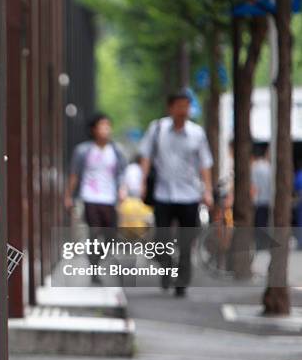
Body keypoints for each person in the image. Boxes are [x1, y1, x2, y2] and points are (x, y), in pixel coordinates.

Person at [139, 91, 214, 297]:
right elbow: (145, 156)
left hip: (189, 195)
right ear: (170, 108)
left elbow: (205, 163)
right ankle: (166, 269)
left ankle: (182, 281)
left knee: (185, 242)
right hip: (163, 194)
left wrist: (207, 190)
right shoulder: (157, 129)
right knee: (161, 241)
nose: (183, 111)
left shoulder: (197, 133)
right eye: (179, 106)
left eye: (186, 106)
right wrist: (143, 182)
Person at [65, 113, 127, 282]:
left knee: (111, 237)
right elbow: (74, 175)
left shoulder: (116, 150)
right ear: (93, 129)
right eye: (102, 126)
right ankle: (93, 268)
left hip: (109, 198)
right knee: (94, 232)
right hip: (90, 197)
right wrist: (69, 196)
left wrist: (122, 189)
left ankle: (96, 260)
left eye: (108, 126)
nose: (105, 129)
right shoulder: (83, 151)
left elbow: (121, 174)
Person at [251, 145, 272, 250]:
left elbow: (253, 185)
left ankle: (260, 244)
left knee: (258, 223)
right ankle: (264, 244)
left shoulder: (254, 167)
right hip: (267, 199)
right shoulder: (268, 167)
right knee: (265, 223)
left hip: (257, 200)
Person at [294, 160, 302, 250]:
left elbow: (295, 189)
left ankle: (300, 242)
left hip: (300, 202)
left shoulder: (298, 175)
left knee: (300, 223)